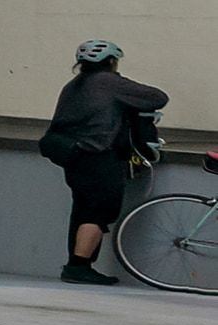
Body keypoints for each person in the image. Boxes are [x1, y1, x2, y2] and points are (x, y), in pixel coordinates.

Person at [47, 40, 174, 284]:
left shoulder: (73, 86)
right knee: (98, 211)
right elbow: (157, 98)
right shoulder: (110, 82)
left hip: (72, 156)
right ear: (112, 61)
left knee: (83, 210)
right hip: (99, 155)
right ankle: (79, 266)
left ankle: (77, 263)